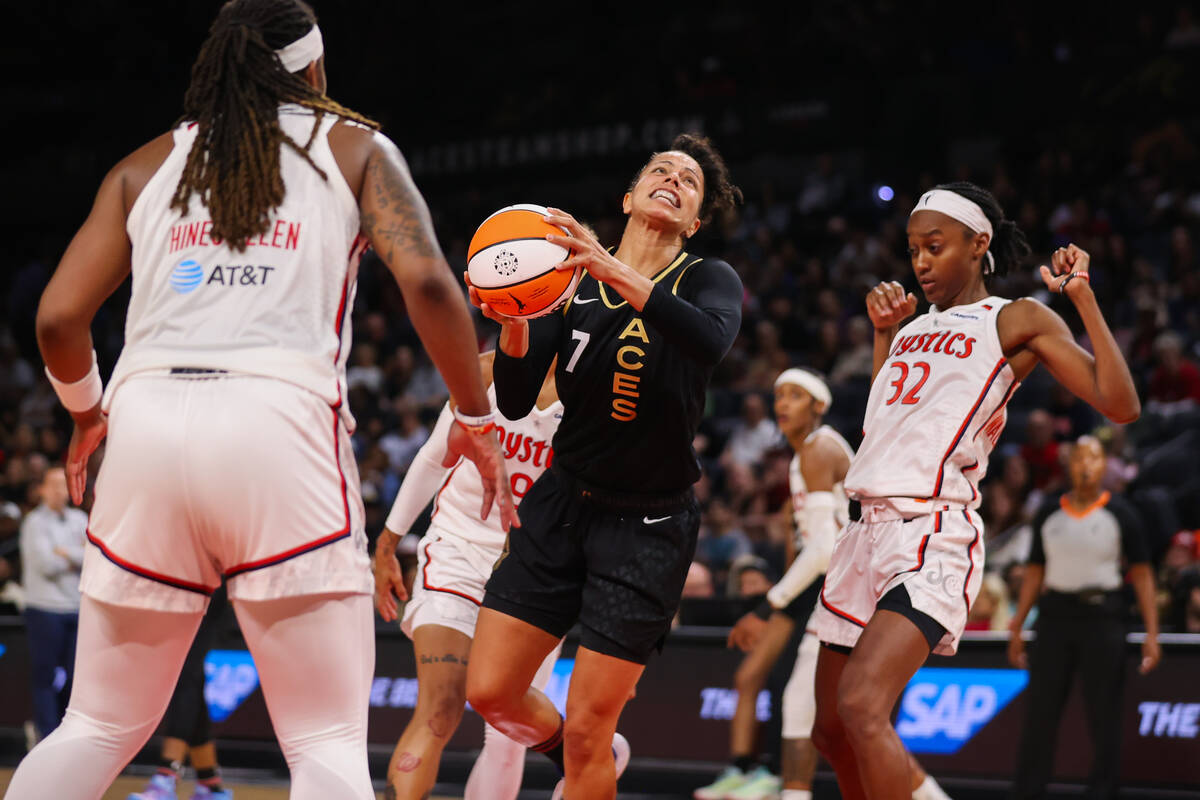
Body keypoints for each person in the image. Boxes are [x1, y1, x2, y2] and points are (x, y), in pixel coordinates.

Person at [6, 2, 517, 798]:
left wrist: (84, 413)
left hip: (143, 424)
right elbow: (424, 280)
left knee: (98, 726)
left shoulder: (142, 166)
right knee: (324, 740)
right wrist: (477, 419)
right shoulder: (354, 147)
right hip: (277, 423)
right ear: (314, 70)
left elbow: (58, 318)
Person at [808, 182, 1140, 800]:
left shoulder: (1014, 317)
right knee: (829, 730)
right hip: (862, 534)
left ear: (978, 243)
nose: (921, 262)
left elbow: (1120, 404)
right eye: (913, 250)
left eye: (935, 246)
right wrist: (886, 333)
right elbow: (887, 424)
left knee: (860, 706)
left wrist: (1083, 301)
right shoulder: (912, 329)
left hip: (930, 532)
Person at [463, 133, 744, 800]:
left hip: (648, 525)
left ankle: (588, 753)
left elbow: (708, 341)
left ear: (695, 220)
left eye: (689, 181)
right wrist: (515, 313)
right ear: (628, 196)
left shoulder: (707, 278)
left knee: (591, 726)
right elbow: (513, 394)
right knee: (490, 692)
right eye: (661, 169)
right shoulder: (568, 281)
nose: (674, 178)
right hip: (563, 506)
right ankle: (578, 753)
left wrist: (607, 266)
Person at [701, 370, 949, 800]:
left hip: (855, 585)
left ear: (818, 406)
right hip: (845, 583)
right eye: (778, 394)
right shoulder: (806, 456)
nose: (782, 403)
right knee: (828, 721)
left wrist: (766, 607)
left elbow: (821, 551)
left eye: (796, 395)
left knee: (836, 717)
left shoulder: (818, 449)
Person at [373, 351, 564, 800]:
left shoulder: (595, 381)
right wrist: (386, 542)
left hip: (536, 567)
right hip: (457, 547)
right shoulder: (480, 370)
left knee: (506, 733)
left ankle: (588, 750)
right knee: (439, 708)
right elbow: (433, 458)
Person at [1007, 435, 1160, 800]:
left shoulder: (1122, 513)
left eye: (1093, 457)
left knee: (1104, 716)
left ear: (1104, 464)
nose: (1086, 465)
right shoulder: (1048, 511)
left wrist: (1152, 633)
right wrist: (1017, 628)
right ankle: (1028, 792)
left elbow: (1141, 573)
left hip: (1103, 618)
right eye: (1078, 458)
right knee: (1039, 716)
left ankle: (1103, 792)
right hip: (1054, 618)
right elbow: (1033, 573)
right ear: (1069, 465)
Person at [127, 586, 233, 800]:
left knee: (185, 675)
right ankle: (210, 785)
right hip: (180, 583)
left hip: (202, 583)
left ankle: (167, 776)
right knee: (190, 676)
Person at [19, 466, 86, 741]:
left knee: (75, 680)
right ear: (43, 489)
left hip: (76, 607)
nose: (60, 491)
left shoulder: (80, 518)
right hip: (43, 609)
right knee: (45, 677)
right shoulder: (34, 522)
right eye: (54, 485)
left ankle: (65, 737)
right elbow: (46, 565)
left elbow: (93, 558)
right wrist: (76, 555)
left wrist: (66, 553)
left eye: (64, 485)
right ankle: (45, 736)